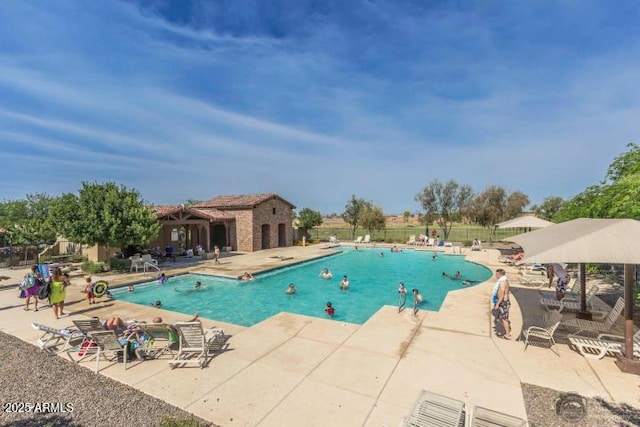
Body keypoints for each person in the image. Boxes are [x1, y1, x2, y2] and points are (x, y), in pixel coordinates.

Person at [493, 269, 511, 339]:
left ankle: (508, 335)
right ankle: (507, 331)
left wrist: (497, 304)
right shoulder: (505, 281)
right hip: (504, 302)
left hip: (503, 302)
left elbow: (502, 294)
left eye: (496, 274)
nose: (496, 275)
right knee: (501, 318)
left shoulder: (503, 282)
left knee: (504, 319)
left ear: (499, 274)